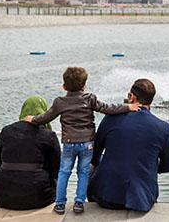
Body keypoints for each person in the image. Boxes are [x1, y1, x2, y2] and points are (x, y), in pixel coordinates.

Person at [24, 67, 140, 214]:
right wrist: (127, 107)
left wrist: (32, 119)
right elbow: (107, 108)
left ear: (64, 86)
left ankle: (60, 204)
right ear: (84, 86)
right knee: (83, 172)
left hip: (69, 143)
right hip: (87, 143)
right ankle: (79, 202)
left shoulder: (60, 102)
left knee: (64, 172)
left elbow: (46, 117)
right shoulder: (89, 98)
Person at [87, 78, 169, 212]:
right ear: (151, 100)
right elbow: (168, 166)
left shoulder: (110, 119)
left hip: (104, 197)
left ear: (132, 97)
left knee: (93, 164)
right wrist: (147, 165)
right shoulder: (163, 128)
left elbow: (94, 155)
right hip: (141, 200)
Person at [0, 95, 61, 210]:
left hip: (3, 196)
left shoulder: (6, 131)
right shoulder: (48, 135)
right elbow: (56, 168)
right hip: (38, 197)